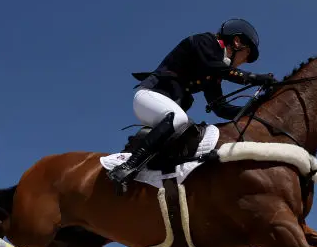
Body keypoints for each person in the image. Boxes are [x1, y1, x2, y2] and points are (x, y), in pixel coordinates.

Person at [107, 18, 278, 186]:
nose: (244, 62)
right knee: (179, 119)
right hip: (149, 96)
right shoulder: (205, 42)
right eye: (246, 54)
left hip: (165, 107)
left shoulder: (215, 71)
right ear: (237, 41)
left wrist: (255, 108)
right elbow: (215, 67)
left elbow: (220, 107)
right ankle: (127, 167)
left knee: (187, 130)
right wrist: (253, 78)